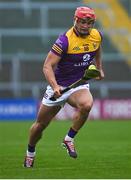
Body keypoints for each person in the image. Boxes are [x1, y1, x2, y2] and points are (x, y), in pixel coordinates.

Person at [24, 6, 105, 168]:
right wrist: (54, 87)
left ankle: (69, 138)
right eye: (82, 22)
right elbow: (47, 66)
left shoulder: (96, 35)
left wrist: (99, 67)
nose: (86, 26)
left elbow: (97, 49)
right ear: (75, 20)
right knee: (39, 127)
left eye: (89, 23)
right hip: (59, 86)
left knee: (87, 105)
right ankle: (30, 153)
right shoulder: (64, 40)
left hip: (78, 85)